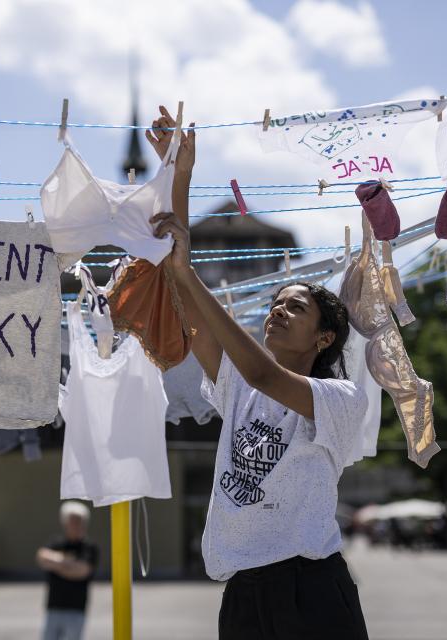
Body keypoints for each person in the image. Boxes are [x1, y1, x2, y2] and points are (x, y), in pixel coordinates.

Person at [146, 106, 370, 639]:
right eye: (275, 302)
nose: (277, 310)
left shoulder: (340, 396)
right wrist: (180, 178)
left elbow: (266, 377)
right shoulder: (237, 386)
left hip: (309, 586)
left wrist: (190, 270)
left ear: (324, 338)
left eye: (295, 307)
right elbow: (189, 312)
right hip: (244, 590)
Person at [36, 501, 98, 640]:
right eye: (72, 521)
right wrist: (68, 563)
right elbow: (42, 557)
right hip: (53, 608)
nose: (75, 526)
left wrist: (57, 565)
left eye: (79, 522)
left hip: (76, 609)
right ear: (65, 523)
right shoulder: (56, 542)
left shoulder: (88, 547)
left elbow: (83, 571)